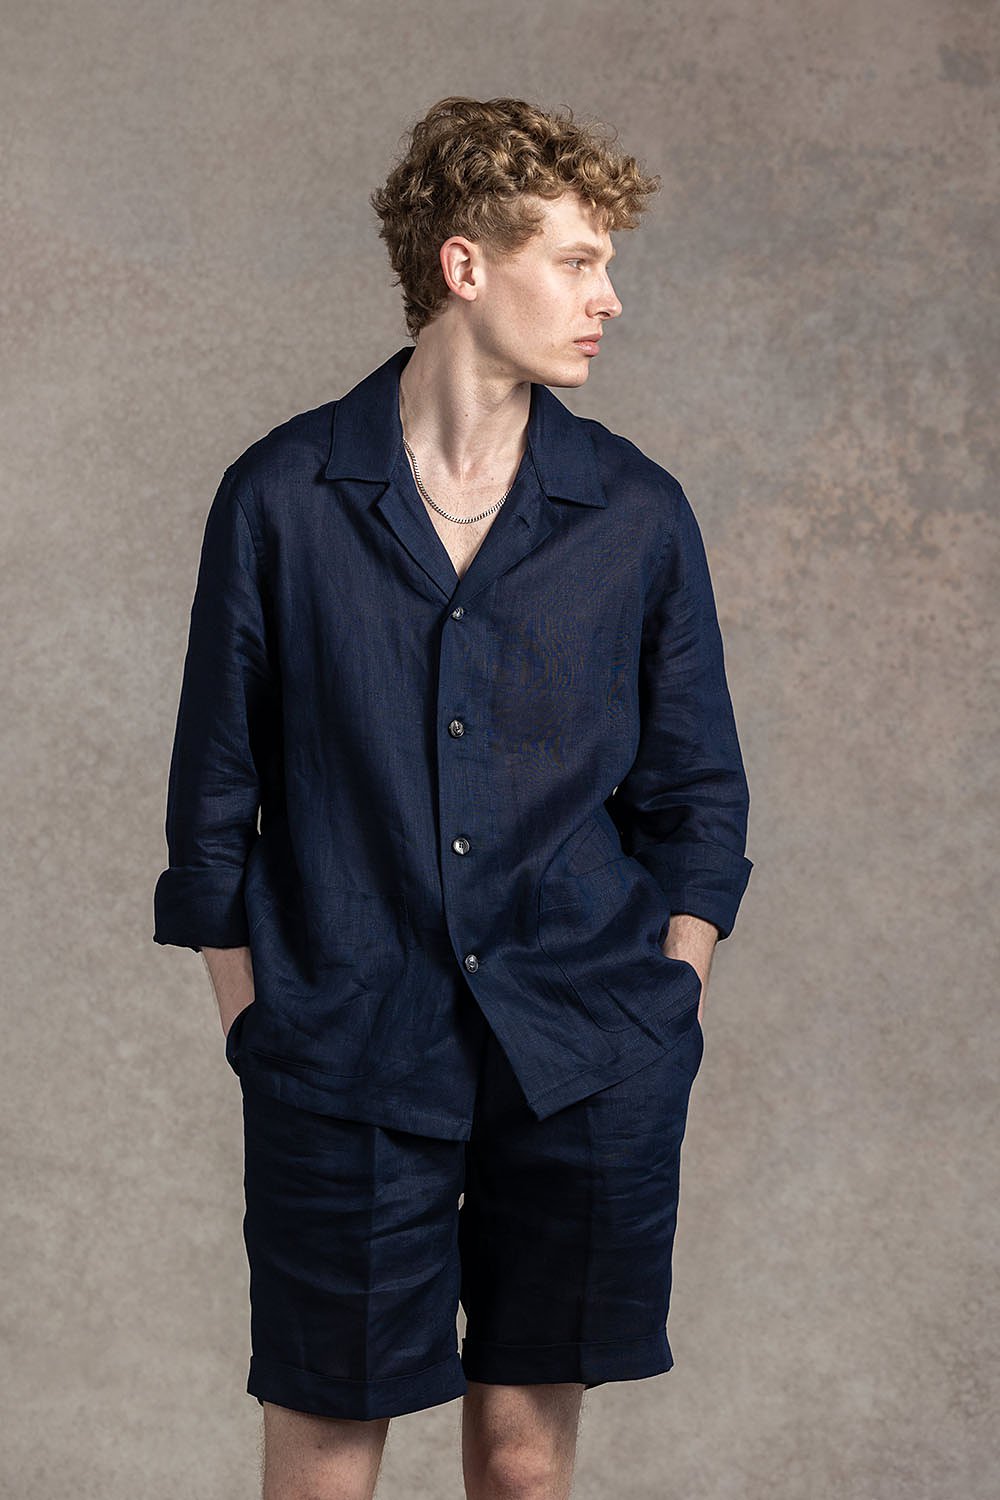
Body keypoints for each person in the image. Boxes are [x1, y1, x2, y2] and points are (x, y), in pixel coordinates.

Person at [153, 95, 754, 1500]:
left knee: (526, 1465)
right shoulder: (283, 497)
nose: (609, 300)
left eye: (608, 266)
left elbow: (699, 796)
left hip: (588, 1048)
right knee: (322, 1470)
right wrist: (258, 1026)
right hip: (345, 1046)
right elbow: (212, 800)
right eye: (578, 261)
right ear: (466, 266)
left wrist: (668, 996)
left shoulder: (636, 513)